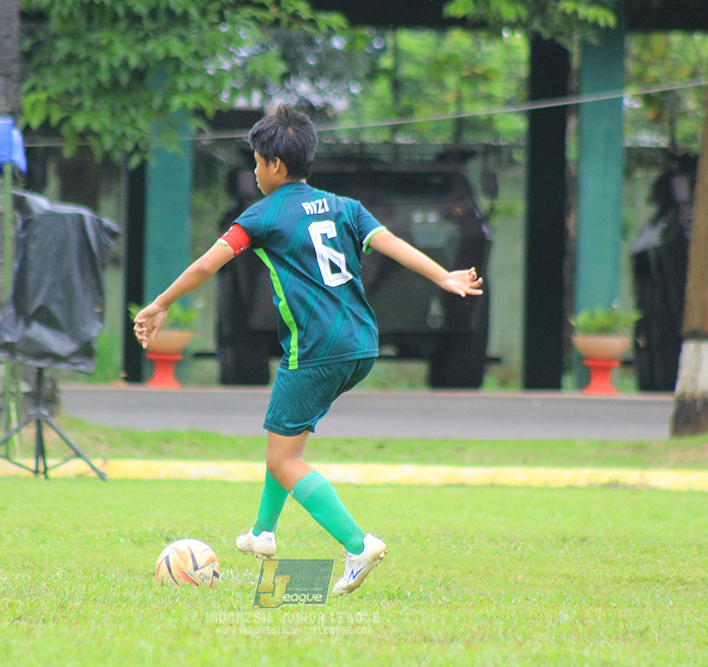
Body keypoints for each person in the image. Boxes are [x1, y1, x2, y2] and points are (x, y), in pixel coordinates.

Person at [132, 105, 484, 596]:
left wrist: (160, 303)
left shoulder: (261, 215)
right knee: (284, 438)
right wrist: (443, 275)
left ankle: (357, 544)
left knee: (283, 459)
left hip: (314, 348)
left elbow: (205, 267)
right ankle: (262, 533)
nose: (254, 171)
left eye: (256, 162)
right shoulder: (344, 207)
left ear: (275, 165)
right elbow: (392, 244)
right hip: (360, 343)